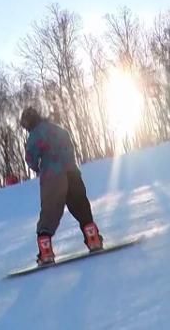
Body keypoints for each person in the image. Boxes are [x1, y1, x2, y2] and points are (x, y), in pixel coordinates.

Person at [19, 107, 103, 265]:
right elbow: (71, 147)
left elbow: (30, 159)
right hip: (72, 172)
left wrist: (39, 168)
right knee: (81, 207)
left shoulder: (34, 136)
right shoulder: (59, 129)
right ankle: (94, 240)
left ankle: (46, 253)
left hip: (52, 177)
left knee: (49, 213)